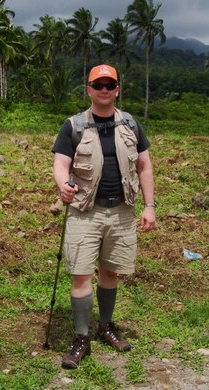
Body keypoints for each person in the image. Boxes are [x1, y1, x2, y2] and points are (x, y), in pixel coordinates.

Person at [52, 64, 156, 369]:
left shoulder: (131, 125)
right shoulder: (73, 126)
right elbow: (61, 164)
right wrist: (63, 185)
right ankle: (81, 336)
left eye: (110, 84)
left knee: (111, 272)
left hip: (122, 210)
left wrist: (150, 206)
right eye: (98, 85)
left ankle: (106, 325)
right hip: (85, 211)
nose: (104, 90)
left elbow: (145, 167)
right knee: (81, 274)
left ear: (117, 90)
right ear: (89, 90)